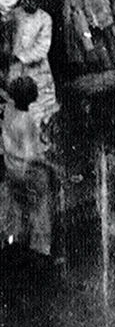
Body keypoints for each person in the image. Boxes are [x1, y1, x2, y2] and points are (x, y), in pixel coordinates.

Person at [2, 77, 56, 260]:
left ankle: (18, 247)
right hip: (28, 173)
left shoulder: (9, 110)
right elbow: (31, 156)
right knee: (40, 212)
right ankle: (42, 253)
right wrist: (49, 165)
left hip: (11, 170)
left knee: (19, 211)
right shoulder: (26, 121)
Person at [8, 0, 59, 129]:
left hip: (38, 70)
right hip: (17, 70)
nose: (31, 2)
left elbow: (43, 47)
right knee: (18, 107)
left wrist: (21, 57)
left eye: (35, 0)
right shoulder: (14, 15)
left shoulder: (45, 19)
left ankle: (40, 137)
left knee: (40, 108)